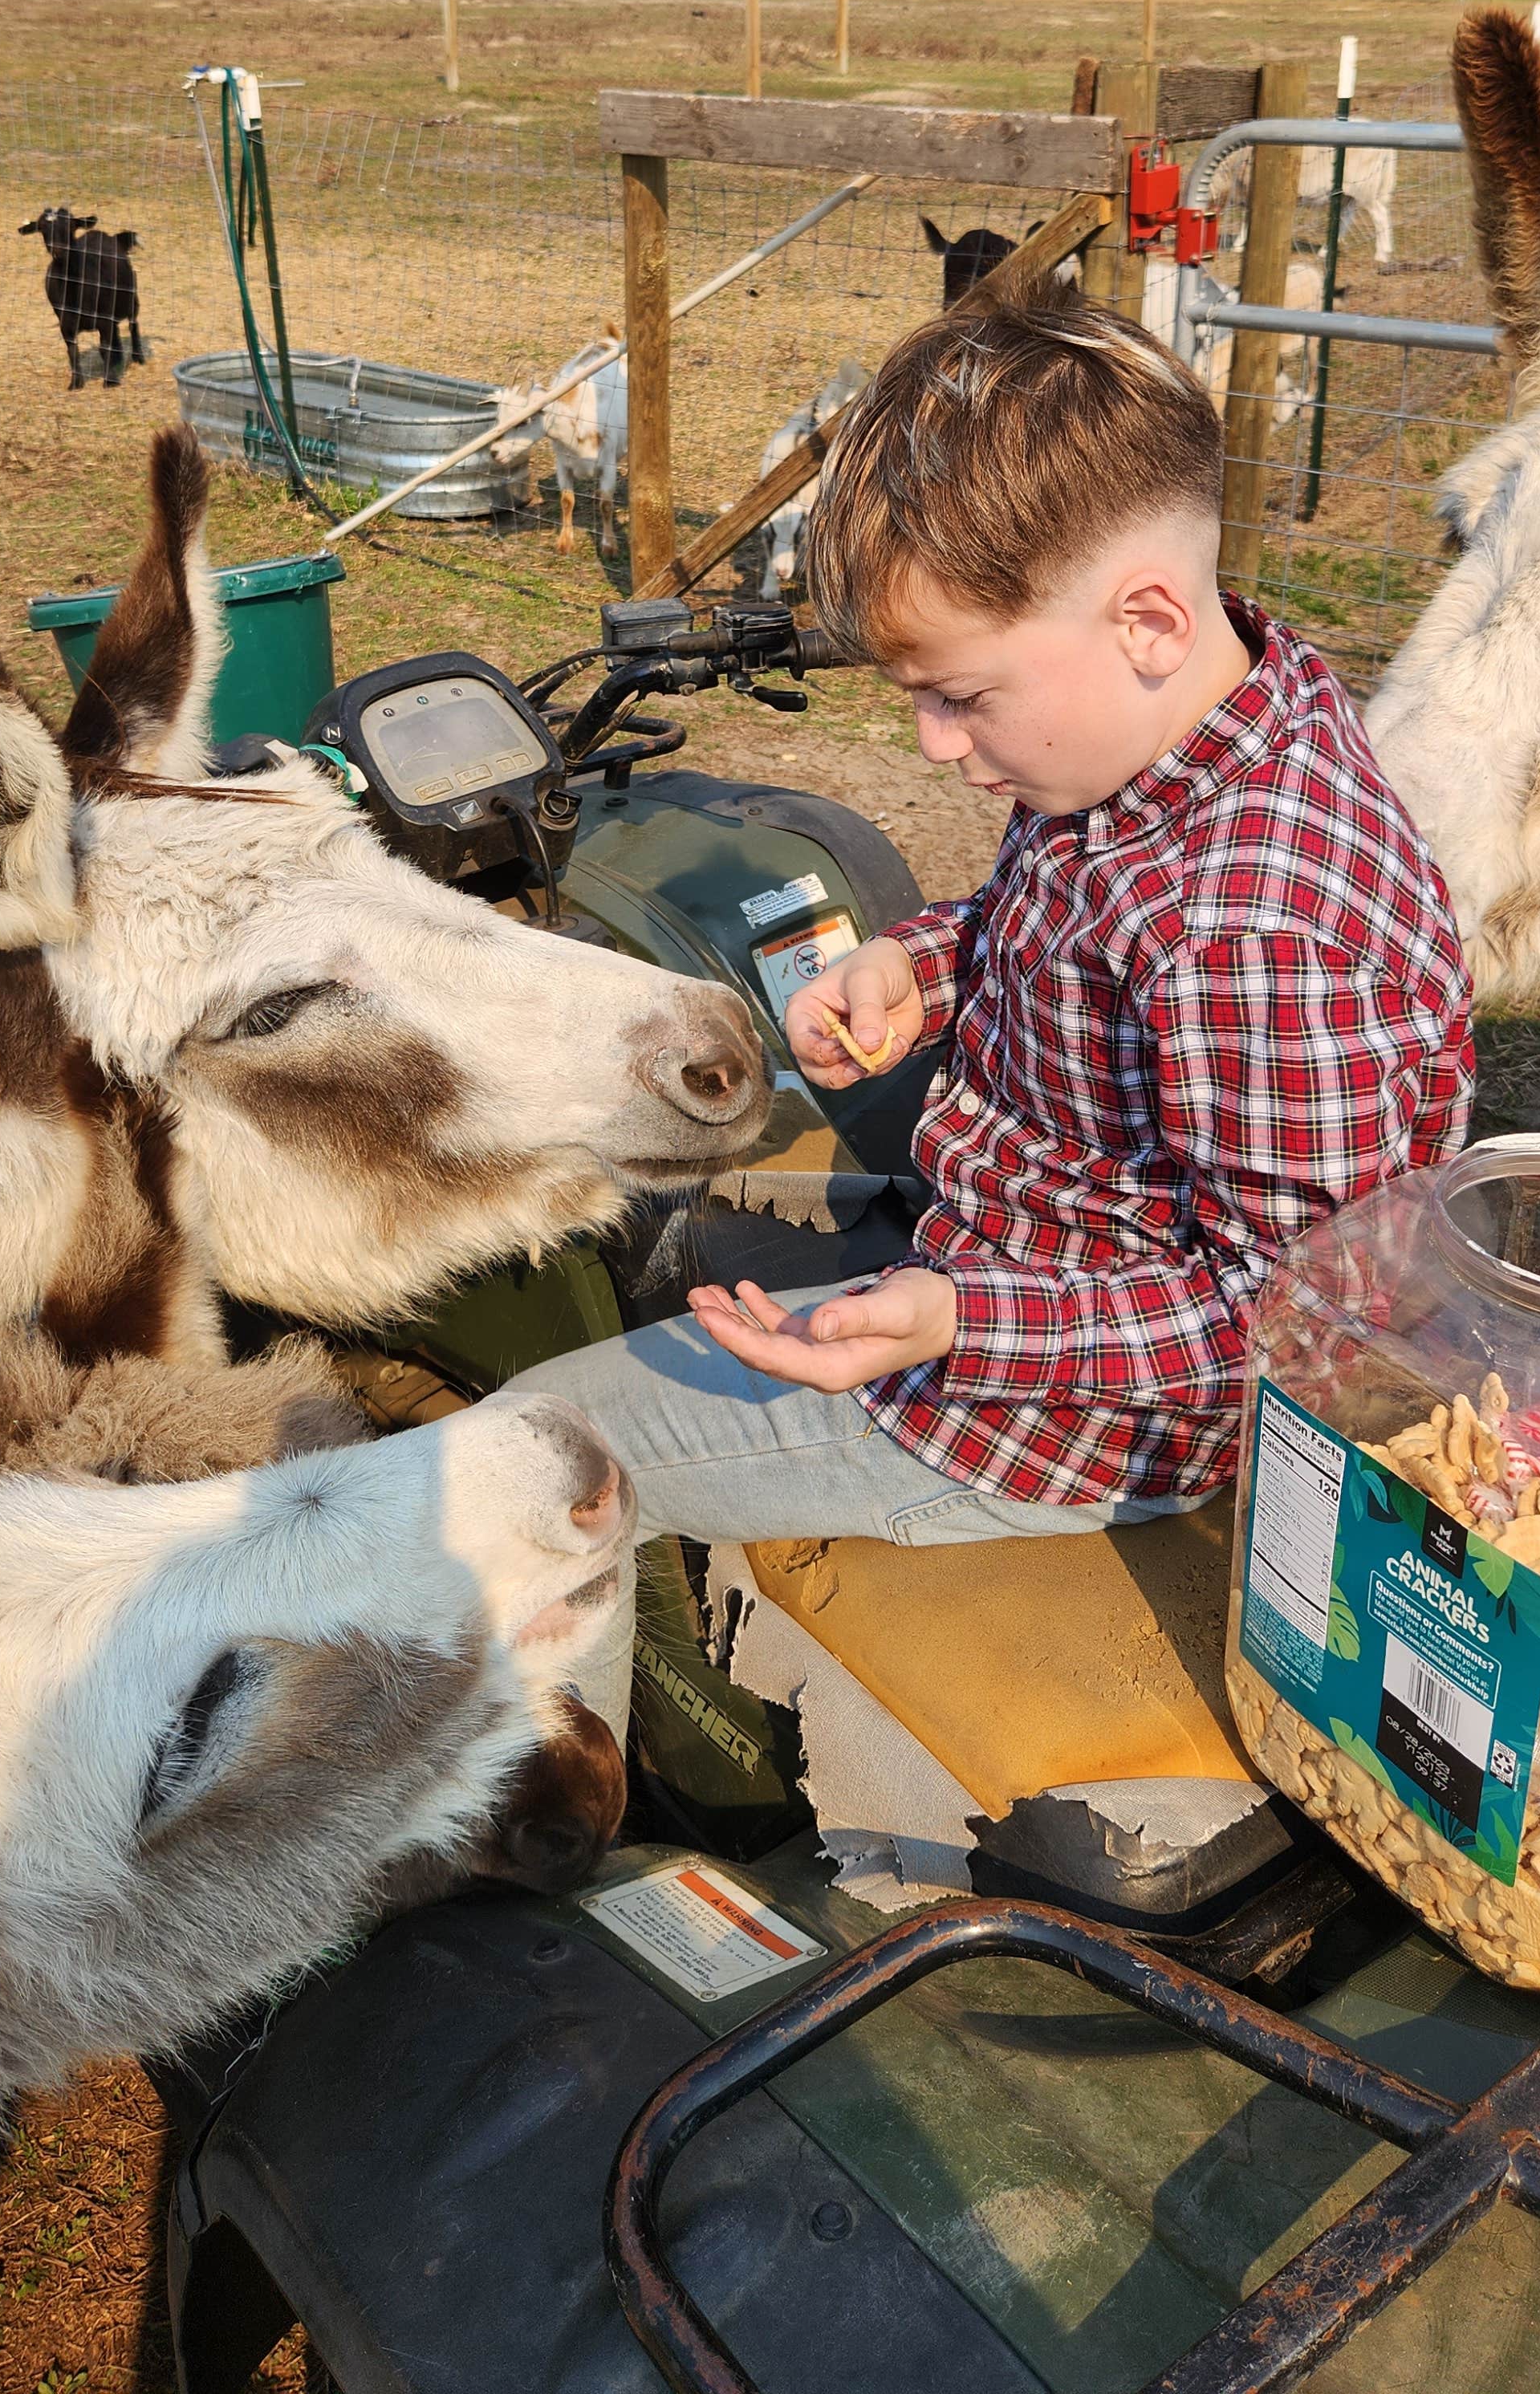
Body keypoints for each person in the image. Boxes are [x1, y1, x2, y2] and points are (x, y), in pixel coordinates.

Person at [510, 291, 1473, 1742]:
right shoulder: (1180, 734)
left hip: (1061, 1409)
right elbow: (1068, 918)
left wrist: (959, 1315)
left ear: (1146, 616)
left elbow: (1304, 1329)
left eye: (959, 697)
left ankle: (547, 1836)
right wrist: (924, 961)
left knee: (520, 1467)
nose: (935, 747)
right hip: (1016, 1235)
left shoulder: (1257, 927)